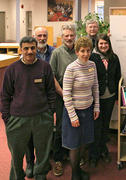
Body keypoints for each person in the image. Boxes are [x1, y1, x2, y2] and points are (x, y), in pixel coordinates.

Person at [0, 36, 56, 180]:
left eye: (32, 48)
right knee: (17, 154)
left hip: (42, 117)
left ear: (36, 48)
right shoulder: (12, 69)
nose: (30, 51)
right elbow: (5, 96)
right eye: (26, 48)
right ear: (21, 50)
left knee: (43, 152)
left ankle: (40, 175)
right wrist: (7, 118)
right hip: (17, 119)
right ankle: (17, 176)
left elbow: (51, 91)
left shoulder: (45, 67)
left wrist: (50, 112)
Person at [62, 36, 100, 180]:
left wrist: (96, 107)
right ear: (77, 52)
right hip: (74, 112)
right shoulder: (71, 68)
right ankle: (75, 174)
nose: (85, 54)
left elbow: (95, 86)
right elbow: (66, 94)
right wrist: (72, 116)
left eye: (88, 50)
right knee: (74, 144)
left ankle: (78, 169)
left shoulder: (92, 65)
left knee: (84, 141)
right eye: (82, 51)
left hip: (88, 109)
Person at [24, 26, 56, 178]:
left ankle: (41, 166)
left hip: (45, 103)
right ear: (34, 36)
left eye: (44, 35)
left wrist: (51, 107)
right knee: (29, 136)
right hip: (29, 103)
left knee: (43, 137)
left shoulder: (53, 52)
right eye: (39, 36)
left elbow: (51, 83)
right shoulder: (26, 55)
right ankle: (30, 162)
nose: (42, 38)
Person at [89, 34, 121, 167]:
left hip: (110, 96)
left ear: (109, 44)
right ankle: (94, 154)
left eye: (105, 43)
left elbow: (118, 76)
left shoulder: (114, 58)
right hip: (95, 98)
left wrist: (118, 97)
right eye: (101, 44)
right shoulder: (92, 58)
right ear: (97, 45)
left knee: (105, 125)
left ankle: (103, 150)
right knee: (96, 126)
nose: (103, 46)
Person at [50, 24, 77, 177]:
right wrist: (63, 94)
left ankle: (73, 155)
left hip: (78, 97)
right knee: (60, 127)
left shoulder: (79, 51)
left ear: (75, 35)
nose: (69, 38)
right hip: (61, 96)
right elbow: (52, 76)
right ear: (62, 37)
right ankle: (59, 159)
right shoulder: (56, 53)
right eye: (66, 35)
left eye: (71, 35)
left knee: (75, 126)